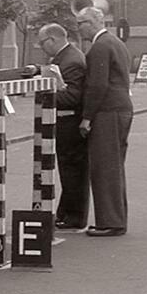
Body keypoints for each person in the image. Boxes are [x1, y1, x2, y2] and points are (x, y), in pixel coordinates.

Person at [75, 6, 133, 237]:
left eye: (81, 24)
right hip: (120, 109)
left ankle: (110, 222)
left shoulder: (99, 47)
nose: (79, 29)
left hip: (108, 112)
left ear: (91, 23)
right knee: (115, 166)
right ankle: (116, 218)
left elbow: (97, 85)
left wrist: (86, 118)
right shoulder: (116, 43)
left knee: (104, 167)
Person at [36, 22, 88, 230]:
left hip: (69, 122)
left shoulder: (71, 61)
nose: (41, 47)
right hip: (67, 121)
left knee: (71, 170)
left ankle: (74, 217)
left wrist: (45, 93)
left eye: (42, 43)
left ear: (53, 39)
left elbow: (73, 96)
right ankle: (66, 214)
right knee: (70, 170)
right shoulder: (66, 57)